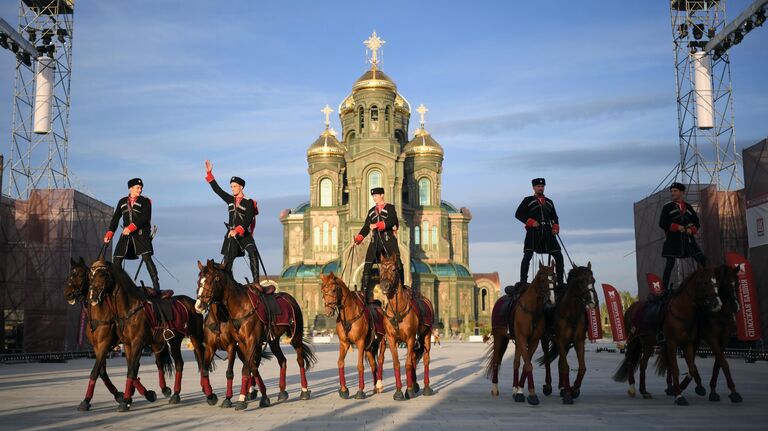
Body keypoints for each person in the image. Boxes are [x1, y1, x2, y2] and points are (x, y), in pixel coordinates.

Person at [204, 160, 260, 283]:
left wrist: (238, 230)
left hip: (244, 234)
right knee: (228, 260)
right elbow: (218, 190)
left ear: (241, 187)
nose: (232, 189)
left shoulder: (249, 202)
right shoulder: (230, 200)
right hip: (231, 235)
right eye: (231, 187)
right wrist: (209, 174)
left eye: (234, 186)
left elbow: (248, 219)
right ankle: (228, 284)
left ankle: (256, 283)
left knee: (252, 252)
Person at [103, 178, 160, 293]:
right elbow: (115, 219)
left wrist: (131, 228)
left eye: (141, 188)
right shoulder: (122, 201)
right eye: (137, 188)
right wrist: (110, 233)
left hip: (141, 234)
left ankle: (156, 284)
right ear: (131, 188)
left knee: (146, 257)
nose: (140, 190)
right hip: (126, 235)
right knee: (117, 260)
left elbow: (145, 218)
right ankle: (116, 285)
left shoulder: (146, 201)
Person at [515, 178, 565, 291]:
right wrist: (531, 222)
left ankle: (561, 282)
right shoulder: (527, 200)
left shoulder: (549, 202)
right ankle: (523, 281)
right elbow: (518, 214)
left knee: (558, 255)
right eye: (538, 186)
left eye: (542, 186)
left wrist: (556, 227)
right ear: (534, 188)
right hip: (534, 232)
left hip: (548, 231)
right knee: (527, 255)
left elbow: (554, 217)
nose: (540, 188)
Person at [354, 187, 402, 303]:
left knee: (398, 263)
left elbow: (392, 220)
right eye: (373, 196)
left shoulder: (390, 208)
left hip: (388, 240)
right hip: (375, 241)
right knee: (368, 264)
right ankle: (364, 292)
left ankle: (402, 287)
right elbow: (366, 227)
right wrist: (358, 238)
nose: (374, 198)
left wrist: (377, 225)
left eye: (376, 196)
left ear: (382, 195)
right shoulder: (371, 211)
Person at [659, 182, 707, 291]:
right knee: (669, 264)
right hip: (673, 241)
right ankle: (664, 290)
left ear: (682, 192)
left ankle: (706, 285)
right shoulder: (667, 207)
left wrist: (691, 229)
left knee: (703, 260)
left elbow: (696, 223)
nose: (673, 193)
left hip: (688, 240)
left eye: (675, 191)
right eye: (672, 191)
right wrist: (677, 227)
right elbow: (662, 223)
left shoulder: (689, 207)